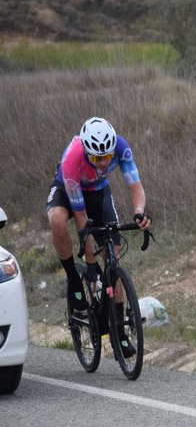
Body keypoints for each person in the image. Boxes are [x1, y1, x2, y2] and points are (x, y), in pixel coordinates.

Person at [46, 117, 152, 356]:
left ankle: (119, 332)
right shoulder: (73, 160)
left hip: (98, 192)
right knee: (58, 221)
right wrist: (91, 263)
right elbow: (81, 216)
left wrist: (139, 212)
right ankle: (74, 278)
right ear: (86, 152)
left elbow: (135, 186)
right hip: (68, 189)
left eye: (107, 157)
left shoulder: (121, 147)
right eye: (96, 159)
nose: (103, 163)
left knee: (114, 257)